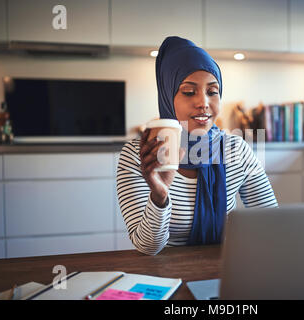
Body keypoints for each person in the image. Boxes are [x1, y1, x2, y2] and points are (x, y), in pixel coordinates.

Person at [116, 36, 278, 255]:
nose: (203, 103)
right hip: (164, 274)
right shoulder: (139, 155)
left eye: (212, 91)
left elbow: (271, 224)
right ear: (167, 95)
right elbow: (148, 248)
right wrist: (159, 196)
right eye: (189, 92)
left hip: (227, 270)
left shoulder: (235, 149)